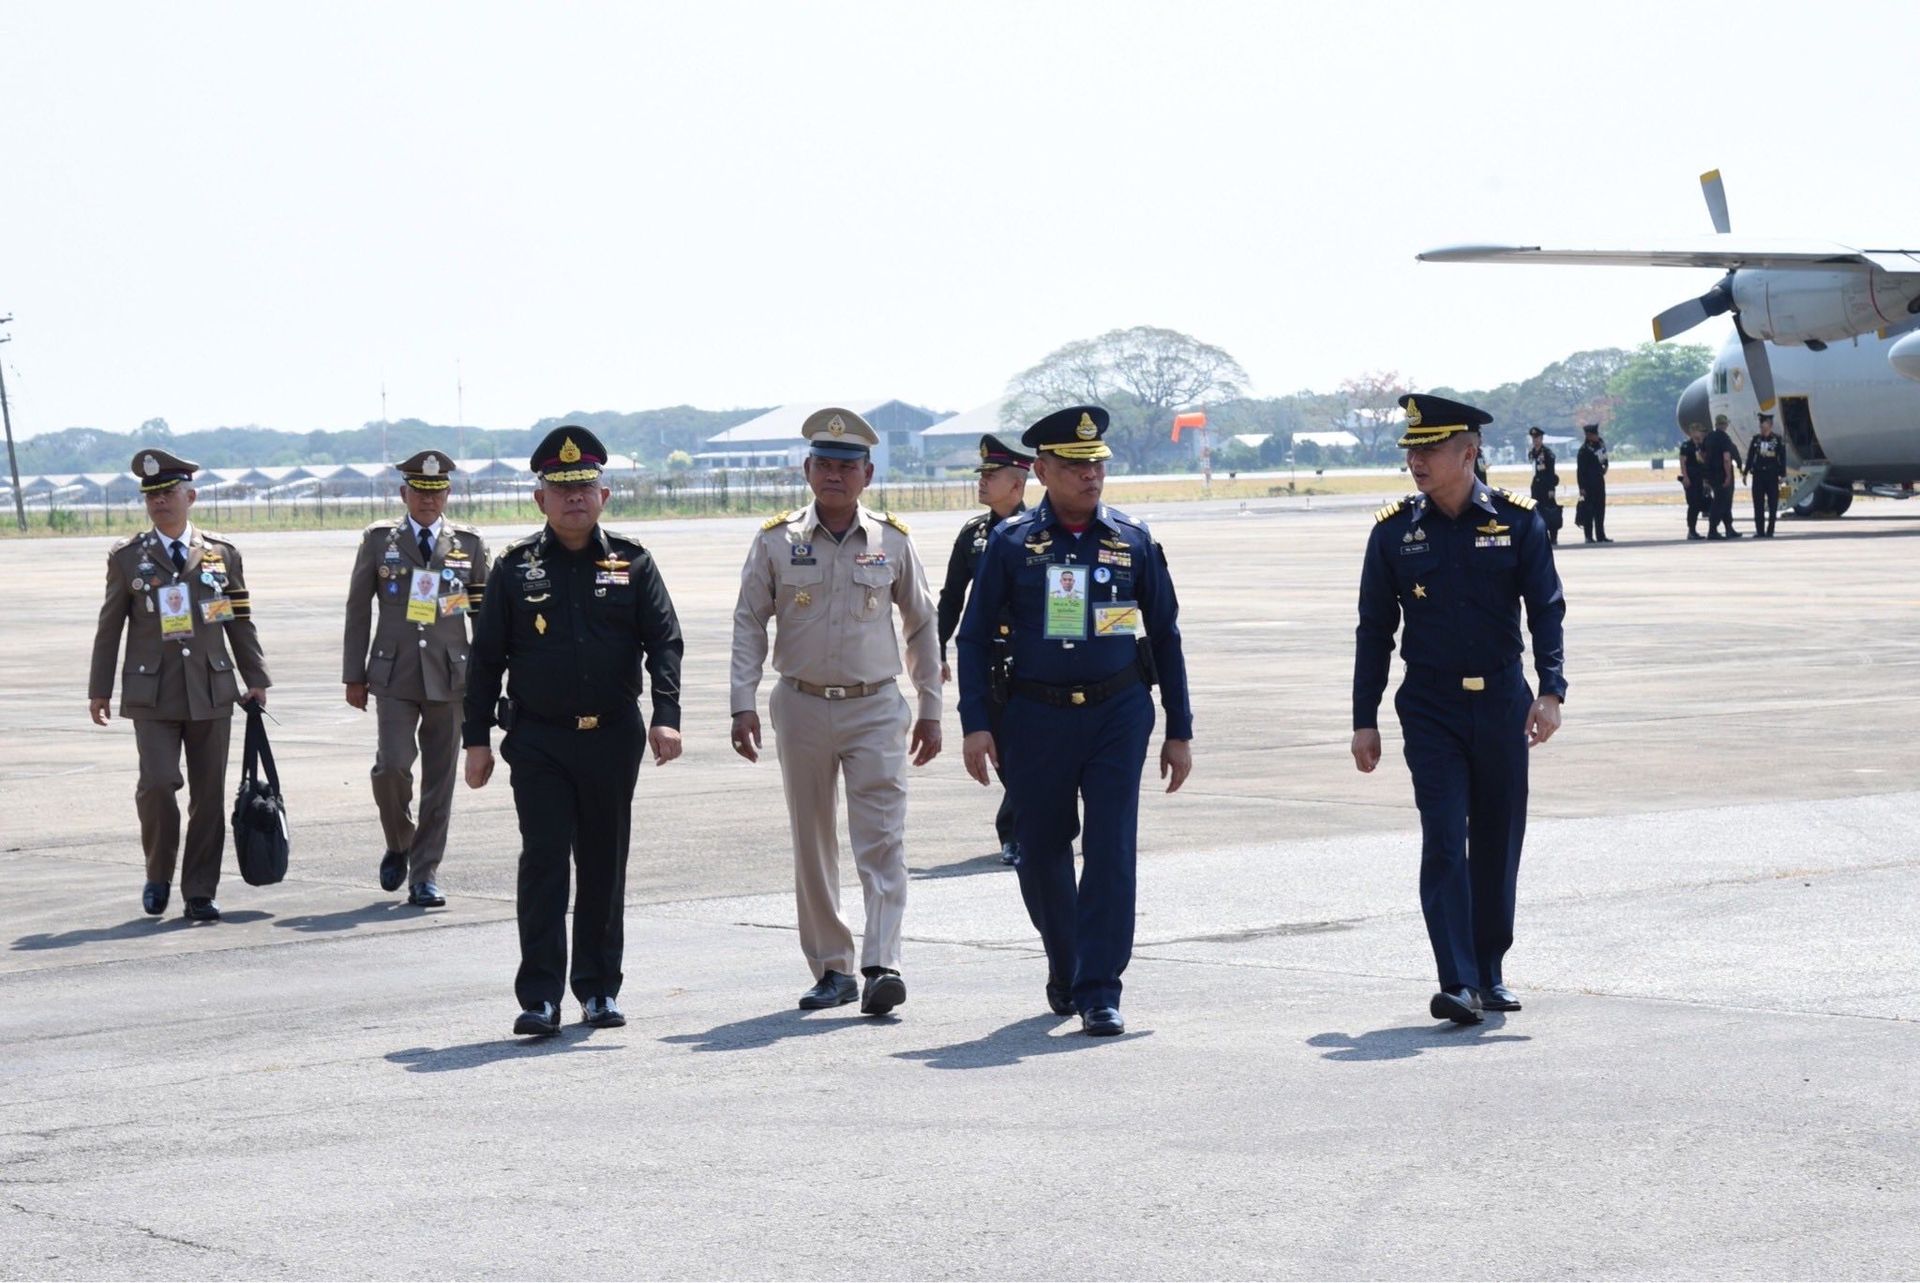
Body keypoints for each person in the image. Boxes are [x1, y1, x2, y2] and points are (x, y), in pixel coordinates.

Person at [958, 405, 1193, 1037]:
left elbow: (1166, 635)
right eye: (1075, 466)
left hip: (1118, 711)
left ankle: (1100, 988)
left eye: (1098, 465)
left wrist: (1179, 728)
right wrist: (976, 722)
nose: (1091, 476)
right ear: (1042, 471)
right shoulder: (1012, 543)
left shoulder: (1132, 539)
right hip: (1034, 716)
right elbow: (973, 637)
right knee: (1040, 850)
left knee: (1111, 850)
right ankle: (1066, 963)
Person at [1351, 395, 1566, 1025]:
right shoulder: (1394, 532)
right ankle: (1458, 981)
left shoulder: (1517, 522)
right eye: (1411, 451)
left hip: (1502, 702)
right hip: (1431, 706)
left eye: (1430, 449)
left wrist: (1551, 691)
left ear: (1469, 453)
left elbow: (1546, 609)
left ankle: (1490, 970)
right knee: (1445, 836)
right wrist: (1364, 719)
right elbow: (1374, 631)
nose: (1416, 461)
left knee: (1498, 838)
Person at [462, 427, 684, 1038]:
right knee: (544, 862)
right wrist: (475, 740)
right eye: (561, 489)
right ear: (541, 499)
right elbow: (486, 659)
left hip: (613, 737)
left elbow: (664, 642)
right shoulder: (514, 568)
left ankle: (598, 989)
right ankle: (539, 998)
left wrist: (666, 715)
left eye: (585, 486)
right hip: (540, 740)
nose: (575, 498)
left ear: (604, 495)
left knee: (603, 862)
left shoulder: (633, 562)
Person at [729, 407, 942, 1017]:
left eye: (847, 467)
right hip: (800, 704)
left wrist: (930, 706)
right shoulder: (776, 540)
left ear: (867, 474)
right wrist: (742, 701)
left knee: (883, 837)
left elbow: (921, 623)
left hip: (874, 706)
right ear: (807, 470)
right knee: (812, 838)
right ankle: (832, 968)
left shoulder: (892, 540)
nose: (834, 476)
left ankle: (882, 964)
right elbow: (749, 622)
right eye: (824, 464)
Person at [88, 449, 271, 921]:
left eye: (168, 492)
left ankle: (200, 891)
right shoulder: (128, 558)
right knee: (156, 784)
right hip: (152, 694)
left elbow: (239, 621)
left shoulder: (222, 555)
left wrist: (254, 678)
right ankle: (158, 874)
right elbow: (110, 627)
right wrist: (99, 688)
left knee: (208, 797)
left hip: (212, 689)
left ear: (191, 496)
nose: (159, 501)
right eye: (151, 495)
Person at [342, 449, 490, 907]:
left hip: (450, 675)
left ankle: (424, 874)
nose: (428, 500)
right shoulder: (379, 541)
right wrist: (353, 675)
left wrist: (488, 679)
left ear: (448, 493)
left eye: (436, 491)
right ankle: (399, 840)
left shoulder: (469, 543)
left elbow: (484, 617)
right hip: (394, 673)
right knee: (392, 766)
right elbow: (357, 609)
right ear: (404, 493)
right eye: (420, 492)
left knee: (439, 781)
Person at [935, 433, 1032, 865]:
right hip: (989, 660)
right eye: (982, 474)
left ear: (1017, 484)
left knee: (1031, 751)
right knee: (1003, 751)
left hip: (1032, 659)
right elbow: (951, 597)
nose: (982, 481)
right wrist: (935, 649)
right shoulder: (973, 535)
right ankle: (1028, 826)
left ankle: (1018, 832)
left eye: (991, 475)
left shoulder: (1041, 531)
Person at [1745, 411, 1787, 537]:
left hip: (1772, 475)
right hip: (1758, 475)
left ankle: (1770, 530)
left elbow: (1782, 458)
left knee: (1773, 504)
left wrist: (1783, 474)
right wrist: (1746, 472)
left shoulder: (1777, 440)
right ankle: (1760, 531)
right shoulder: (1756, 439)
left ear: (1770, 425)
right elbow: (1750, 456)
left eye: (1764, 425)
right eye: (1761, 426)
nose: (1761, 428)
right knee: (1758, 504)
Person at [1703, 414, 1743, 539]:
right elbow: (1726, 459)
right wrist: (1728, 476)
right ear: (1725, 425)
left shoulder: (1709, 437)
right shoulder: (1725, 438)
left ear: (1716, 424)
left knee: (1722, 501)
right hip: (1722, 474)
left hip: (1711, 474)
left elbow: (1702, 454)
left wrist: (1706, 471)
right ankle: (1713, 530)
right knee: (1721, 502)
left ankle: (1728, 528)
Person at [1575, 422, 1611, 543]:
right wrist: (1581, 487)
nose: (1597, 436)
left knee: (1600, 509)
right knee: (1588, 511)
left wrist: (1606, 466)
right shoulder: (1584, 450)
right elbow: (1580, 471)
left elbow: (1604, 458)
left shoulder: (1600, 445)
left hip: (1599, 481)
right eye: (1594, 434)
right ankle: (1588, 536)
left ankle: (1601, 535)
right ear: (1589, 435)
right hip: (1588, 484)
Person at [1526, 427, 1562, 545]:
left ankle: (1553, 537)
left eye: (1537, 438)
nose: (1535, 440)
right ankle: (1541, 536)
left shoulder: (1547, 453)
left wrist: (1551, 488)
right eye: (1533, 438)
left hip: (1546, 487)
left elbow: (1551, 472)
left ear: (1541, 439)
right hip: (1536, 487)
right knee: (1537, 512)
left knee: (1550, 511)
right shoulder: (1532, 453)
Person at [1677, 423, 1710, 540]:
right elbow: (1683, 462)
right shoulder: (1687, 446)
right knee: (1693, 505)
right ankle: (1691, 530)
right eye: (1698, 431)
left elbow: (1703, 461)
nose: (1700, 433)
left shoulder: (1700, 446)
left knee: (1700, 503)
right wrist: (1685, 477)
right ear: (1692, 432)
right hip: (1691, 478)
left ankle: (1694, 530)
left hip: (1699, 478)